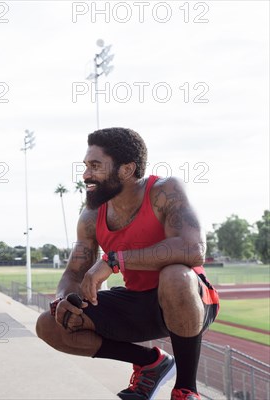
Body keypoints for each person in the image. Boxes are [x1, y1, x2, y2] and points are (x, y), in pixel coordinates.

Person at [36, 128, 219, 400]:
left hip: (189, 299)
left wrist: (114, 261)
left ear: (126, 169)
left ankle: (186, 389)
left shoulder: (164, 190)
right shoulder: (91, 215)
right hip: (138, 303)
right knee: (50, 324)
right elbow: (74, 272)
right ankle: (150, 362)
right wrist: (63, 299)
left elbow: (193, 249)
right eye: (86, 166)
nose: (86, 175)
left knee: (175, 276)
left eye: (95, 166)